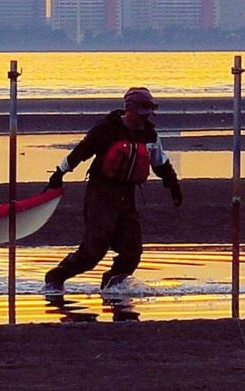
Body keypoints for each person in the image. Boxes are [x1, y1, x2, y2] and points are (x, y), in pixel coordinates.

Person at [42, 86, 182, 294]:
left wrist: (173, 185)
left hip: (127, 196)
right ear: (129, 109)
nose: (145, 118)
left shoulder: (150, 135)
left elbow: (160, 163)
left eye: (148, 114)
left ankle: (112, 286)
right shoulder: (107, 130)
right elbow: (81, 152)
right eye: (141, 113)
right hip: (101, 193)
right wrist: (59, 174)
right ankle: (56, 278)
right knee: (93, 251)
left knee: (132, 251)